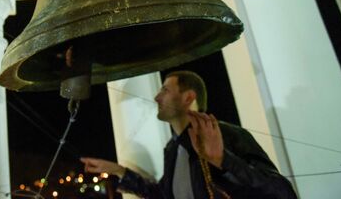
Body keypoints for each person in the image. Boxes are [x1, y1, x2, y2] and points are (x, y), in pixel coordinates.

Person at [81, 70, 297, 199]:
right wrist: (118, 170)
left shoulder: (227, 135)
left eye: (165, 90)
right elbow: (163, 195)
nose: (156, 97)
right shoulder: (174, 148)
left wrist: (224, 161)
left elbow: (281, 191)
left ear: (188, 97)